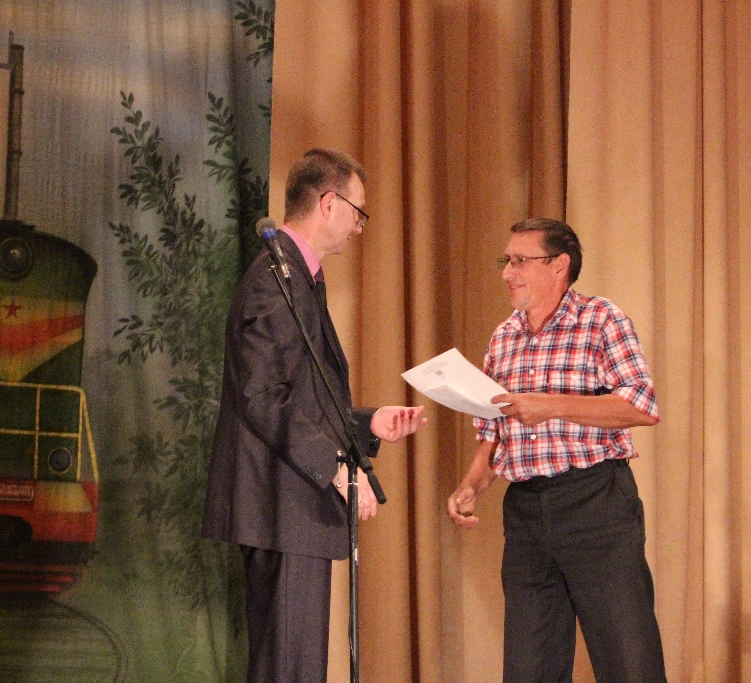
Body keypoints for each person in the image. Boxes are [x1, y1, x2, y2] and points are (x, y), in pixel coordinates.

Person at [202, 148, 426, 683]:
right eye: (358, 212)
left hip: (290, 506)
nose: (359, 227)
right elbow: (263, 396)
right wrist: (338, 469)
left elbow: (299, 395)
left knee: (293, 667)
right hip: (282, 505)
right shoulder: (275, 278)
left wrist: (364, 424)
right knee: (290, 669)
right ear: (329, 203)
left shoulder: (297, 276)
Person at [447, 218, 667, 683]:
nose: (507, 272)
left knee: (628, 660)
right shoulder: (504, 336)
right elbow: (493, 433)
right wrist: (471, 485)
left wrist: (549, 405)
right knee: (530, 668)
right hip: (526, 513)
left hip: (595, 503)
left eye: (520, 261)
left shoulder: (600, 319)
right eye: (506, 260)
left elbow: (641, 405)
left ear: (559, 265)